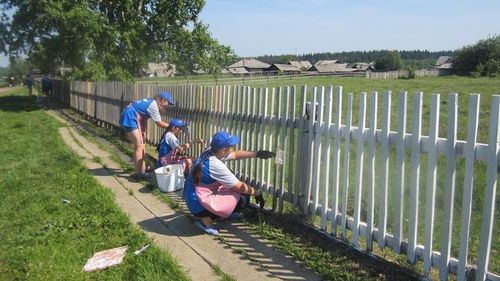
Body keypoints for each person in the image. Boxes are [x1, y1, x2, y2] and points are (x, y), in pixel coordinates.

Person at [183, 131, 275, 236]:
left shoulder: (211, 152)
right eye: (231, 146)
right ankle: (206, 222)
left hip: (195, 196)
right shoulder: (215, 165)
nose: (233, 148)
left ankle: (221, 213)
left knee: (239, 193)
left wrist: (257, 154)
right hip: (197, 203)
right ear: (223, 149)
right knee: (243, 198)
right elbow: (240, 187)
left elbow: (235, 155)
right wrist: (257, 193)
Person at [119, 91, 174, 180]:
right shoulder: (154, 105)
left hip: (131, 116)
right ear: (162, 100)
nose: (167, 107)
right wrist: (173, 127)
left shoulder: (151, 102)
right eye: (167, 103)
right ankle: (138, 174)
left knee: (141, 146)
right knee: (139, 146)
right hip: (130, 117)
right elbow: (159, 123)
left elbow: (141, 114)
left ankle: (142, 170)